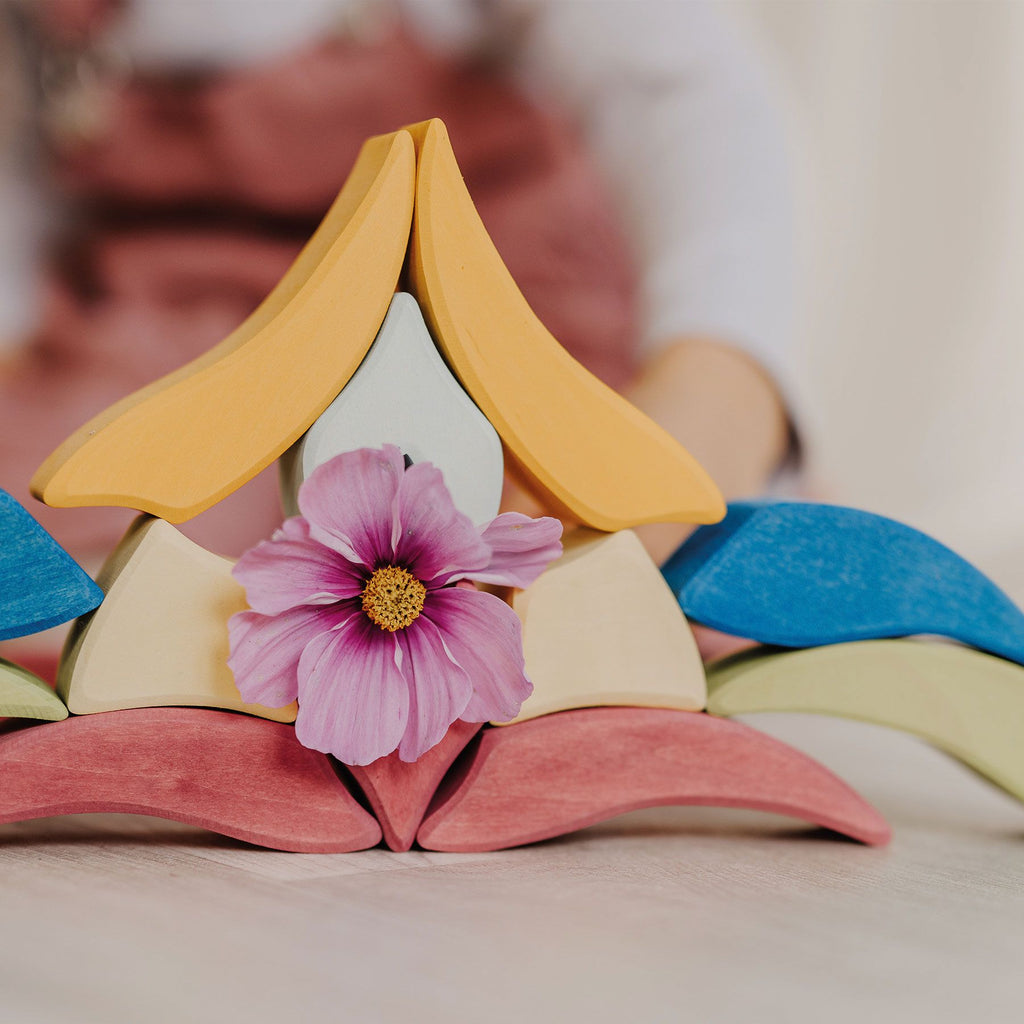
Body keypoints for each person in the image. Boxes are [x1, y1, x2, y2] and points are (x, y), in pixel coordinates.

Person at [0, 0, 793, 667]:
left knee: (575, 572)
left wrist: (720, 373)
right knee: (74, 564)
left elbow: (681, 92)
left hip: (476, 299)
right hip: (171, 318)